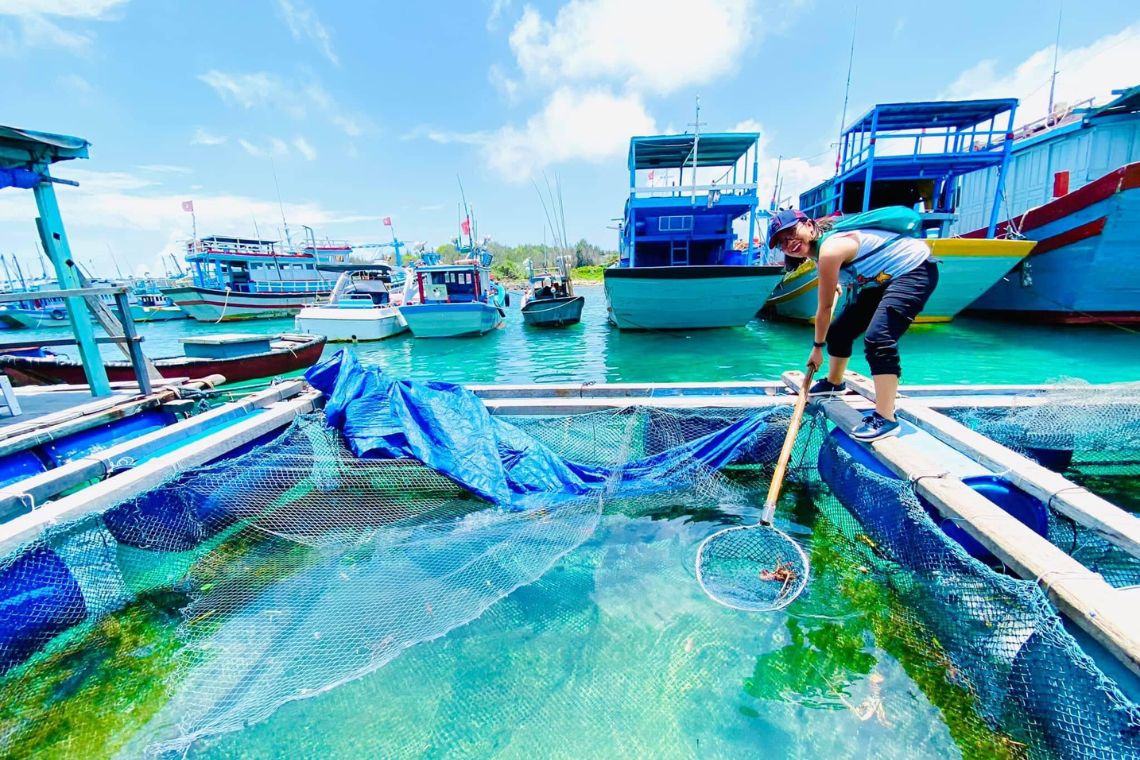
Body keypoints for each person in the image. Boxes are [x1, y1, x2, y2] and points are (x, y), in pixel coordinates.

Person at [767, 208, 938, 441]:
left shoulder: (830, 250)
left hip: (913, 270)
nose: (790, 244)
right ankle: (835, 383)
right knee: (840, 332)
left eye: (791, 233)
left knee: (879, 338)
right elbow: (851, 273)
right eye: (783, 243)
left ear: (808, 225)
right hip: (881, 281)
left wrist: (817, 348)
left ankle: (886, 417)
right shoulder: (821, 254)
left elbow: (824, 309)